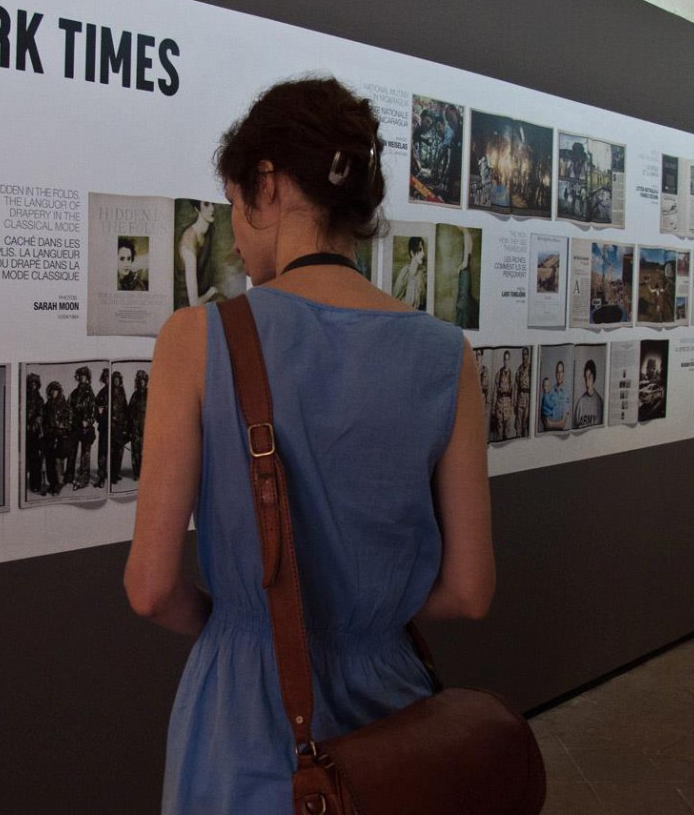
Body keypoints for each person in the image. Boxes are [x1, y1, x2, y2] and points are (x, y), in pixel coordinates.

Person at [124, 77, 493, 814]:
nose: (235, 226)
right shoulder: (446, 354)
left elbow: (151, 586)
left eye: (235, 204)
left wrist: (249, 623)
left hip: (245, 721)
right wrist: (365, 613)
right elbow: (470, 590)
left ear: (268, 185)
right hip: (394, 718)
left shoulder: (197, 340)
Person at [175, 200, 222, 307]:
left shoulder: (209, 230)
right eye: (206, 204)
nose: (212, 209)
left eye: (213, 203)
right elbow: (193, 303)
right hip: (185, 305)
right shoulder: (189, 241)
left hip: (202, 296)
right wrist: (211, 292)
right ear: (197, 209)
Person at [391, 235, 427, 311]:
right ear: (412, 253)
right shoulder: (404, 273)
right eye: (420, 250)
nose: (423, 254)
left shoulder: (422, 274)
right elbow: (395, 298)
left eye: (423, 250)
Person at [24, 373, 45, 495]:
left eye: (35, 384)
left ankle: (35, 484)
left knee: (36, 459)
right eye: (31, 383)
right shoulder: (24, 397)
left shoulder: (39, 399)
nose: (33, 386)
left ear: (37, 385)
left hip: (35, 433)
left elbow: (40, 415)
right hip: (24, 432)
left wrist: (33, 424)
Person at [128, 368, 149, 481]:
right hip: (135, 426)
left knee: (147, 450)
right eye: (139, 379)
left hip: (147, 426)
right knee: (136, 450)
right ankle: (137, 473)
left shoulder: (150, 394)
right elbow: (129, 411)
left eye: (143, 379)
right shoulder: (134, 395)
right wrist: (129, 427)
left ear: (146, 381)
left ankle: (146, 473)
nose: (141, 381)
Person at [573, 359, 604, 429]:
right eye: (586, 378)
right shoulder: (580, 403)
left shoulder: (599, 402)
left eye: (589, 377)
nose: (587, 382)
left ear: (594, 378)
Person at [541, 360, 570, 431]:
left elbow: (563, 423)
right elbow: (543, 416)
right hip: (547, 433)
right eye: (558, 372)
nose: (559, 375)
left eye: (561, 372)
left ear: (563, 373)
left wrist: (550, 424)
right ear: (555, 374)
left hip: (558, 433)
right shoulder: (550, 391)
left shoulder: (566, 393)